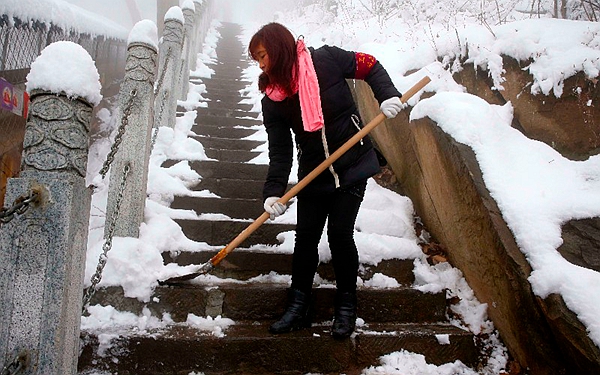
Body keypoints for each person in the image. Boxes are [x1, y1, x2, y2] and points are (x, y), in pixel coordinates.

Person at [248, 22, 404, 339]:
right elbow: (280, 152)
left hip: (352, 164)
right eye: (257, 60)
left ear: (277, 48)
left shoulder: (327, 60)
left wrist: (387, 95)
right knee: (305, 237)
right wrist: (273, 193)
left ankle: (346, 306)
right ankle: (298, 305)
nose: (262, 65)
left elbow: (369, 65)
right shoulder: (273, 99)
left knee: (339, 233)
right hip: (314, 173)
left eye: (263, 56)